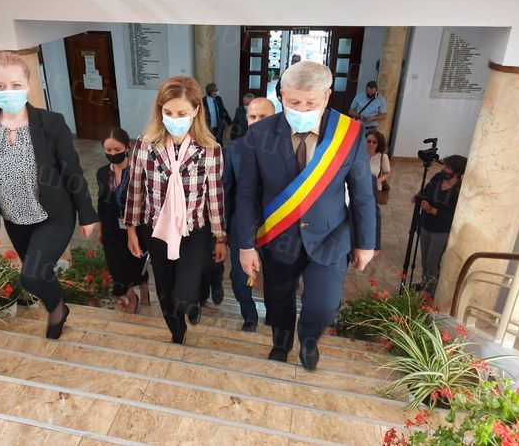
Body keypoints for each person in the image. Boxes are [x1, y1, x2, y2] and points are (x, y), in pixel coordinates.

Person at [236, 61, 376, 370]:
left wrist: (366, 243)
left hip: (330, 235)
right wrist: (245, 245)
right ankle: (281, 342)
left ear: (326, 96)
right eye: (293, 102)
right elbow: (246, 195)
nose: (301, 109)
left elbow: (363, 193)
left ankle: (310, 339)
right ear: (281, 96)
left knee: (324, 306)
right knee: (278, 300)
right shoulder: (258, 134)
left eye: (310, 103)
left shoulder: (349, 133)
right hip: (278, 236)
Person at [0, 52, 98, 339]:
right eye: (0, 86)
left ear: (27, 84)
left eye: (15, 84)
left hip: (53, 215)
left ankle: (58, 309)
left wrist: (87, 215)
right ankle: (56, 304)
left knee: (31, 276)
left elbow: (72, 171)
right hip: (15, 218)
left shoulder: (51, 123)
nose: (8, 91)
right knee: (40, 272)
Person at [124, 76, 227, 344]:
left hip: (193, 229)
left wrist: (220, 237)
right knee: (165, 289)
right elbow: (136, 188)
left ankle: (191, 303)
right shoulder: (145, 144)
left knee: (185, 291)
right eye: (168, 112)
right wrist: (131, 229)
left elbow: (214, 196)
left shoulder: (210, 149)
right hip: (156, 228)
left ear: (195, 110)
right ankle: (177, 331)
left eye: (181, 113)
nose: (174, 118)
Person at [224, 97, 276, 332]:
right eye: (253, 117)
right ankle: (249, 315)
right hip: (242, 227)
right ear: (246, 119)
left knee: (276, 277)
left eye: (263, 117)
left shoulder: (287, 148)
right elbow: (227, 191)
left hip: (276, 226)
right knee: (239, 277)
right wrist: (223, 231)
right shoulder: (234, 149)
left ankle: (273, 313)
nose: (257, 122)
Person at [97, 128, 149, 314]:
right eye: (108, 150)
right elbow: (101, 203)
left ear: (127, 147)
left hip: (136, 229)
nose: (112, 154)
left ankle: (144, 289)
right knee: (117, 270)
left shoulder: (139, 171)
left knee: (137, 266)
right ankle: (132, 297)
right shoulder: (102, 173)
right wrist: (101, 228)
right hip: (111, 229)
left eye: (117, 150)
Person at [415, 155, 467, 296]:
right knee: (424, 259)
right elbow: (427, 191)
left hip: (440, 231)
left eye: (448, 167)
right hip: (426, 225)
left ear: (457, 172)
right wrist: (421, 198)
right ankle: (425, 283)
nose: (444, 169)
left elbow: (451, 216)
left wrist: (431, 209)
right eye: (445, 166)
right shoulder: (438, 177)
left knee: (432, 262)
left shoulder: (459, 190)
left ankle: (430, 292)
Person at [367, 130, 391, 252]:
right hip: (359, 186)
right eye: (369, 141)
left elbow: (387, 172)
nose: (371, 144)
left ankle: (375, 244)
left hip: (373, 189)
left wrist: (378, 180)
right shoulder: (359, 153)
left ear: (378, 143)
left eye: (374, 142)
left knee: (374, 215)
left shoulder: (382, 157)